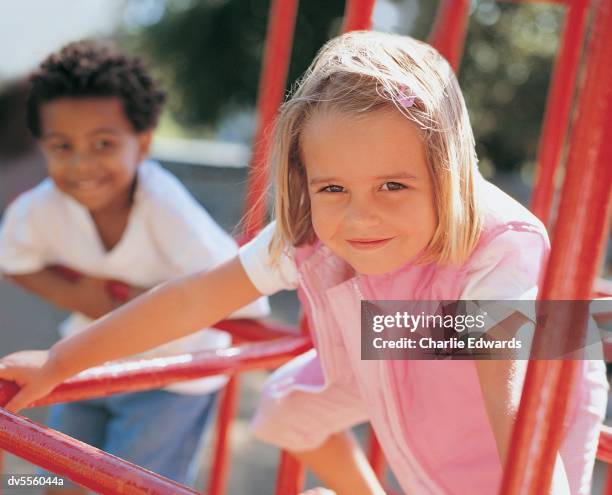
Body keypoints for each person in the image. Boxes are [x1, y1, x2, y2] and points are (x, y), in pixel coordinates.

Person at [0, 32, 607, 495]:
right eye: (332, 188)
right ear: (304, 180)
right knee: (288, 408)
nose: (358, 216)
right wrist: (63, 360)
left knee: (468, 473)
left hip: (483, 362)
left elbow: (508, 392)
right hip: (386, 340)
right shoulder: (307, 231)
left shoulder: (496, 246)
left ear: (447, 177)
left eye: (393, 186)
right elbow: (193, 299)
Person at [0, 40, 269, 492]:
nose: (82, 163)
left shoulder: (165, 209)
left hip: (170, 378)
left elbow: (242, 296)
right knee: (57, 478)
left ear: (142, 143)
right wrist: (87, 297)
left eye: (103, 143)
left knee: (132, 484)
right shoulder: (43, 207)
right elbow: (13, 260)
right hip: (86, 358)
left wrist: (139, 304)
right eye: (62, 146)